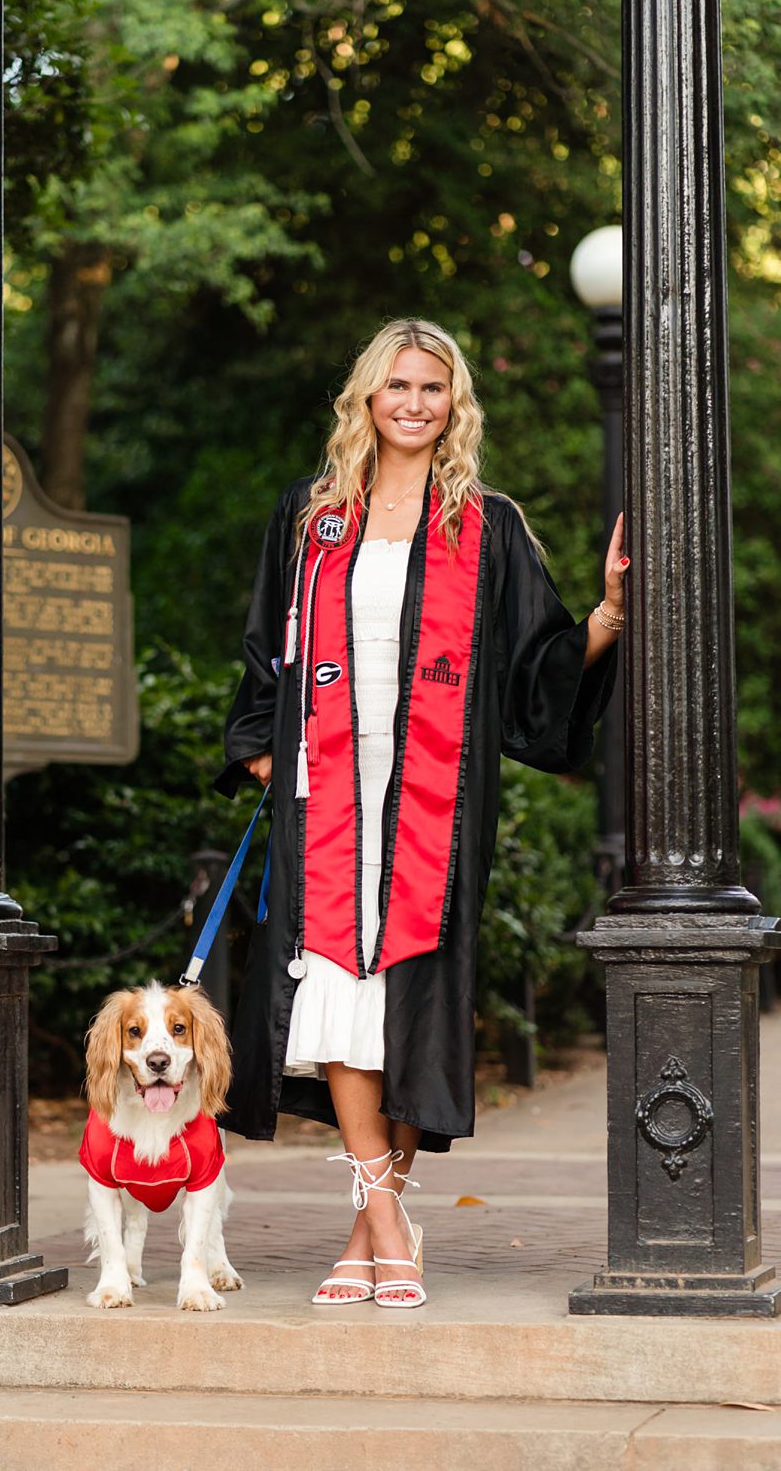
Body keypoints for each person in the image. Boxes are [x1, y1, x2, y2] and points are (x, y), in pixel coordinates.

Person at [216, 319, 624, 1309]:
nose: (411, 402)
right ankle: (390, 1221)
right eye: (395, 383)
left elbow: (533, 672)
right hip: (324, 791)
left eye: (430, 387)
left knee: (408, 1003)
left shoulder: (485, 524)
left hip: (435, 800)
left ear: (454, 403)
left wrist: (606, 615)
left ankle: (368, 1234)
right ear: (365, 394)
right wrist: (266, 750)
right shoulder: (308, 516)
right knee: (334, 997)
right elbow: (265, 653)